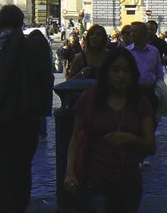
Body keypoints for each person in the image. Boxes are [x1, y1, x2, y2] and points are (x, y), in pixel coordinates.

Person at [0, 4, 54, 213]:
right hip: (26, 114)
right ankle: (19, 206)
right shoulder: (33, 47)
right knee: (23, 166)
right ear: (22, 23)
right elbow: (45, 79)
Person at [63, 47, 156, 212]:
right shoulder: (89, 98)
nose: (121, 75)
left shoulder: (141, 102)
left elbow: (151, 146)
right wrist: (70, 172)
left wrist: (132, 139)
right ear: (106, 72)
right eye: (116, 70)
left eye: (126, 70)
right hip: (96, 179)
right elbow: (76, 137)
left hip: (129, 181)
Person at [126, 21, 162, 113]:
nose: (132, 34)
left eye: (136, 32)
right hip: (132, 93)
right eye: (131, 31)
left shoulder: (154, 51)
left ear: (144, 34)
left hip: (150, 93)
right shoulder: (127, 52)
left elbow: (159, 73)